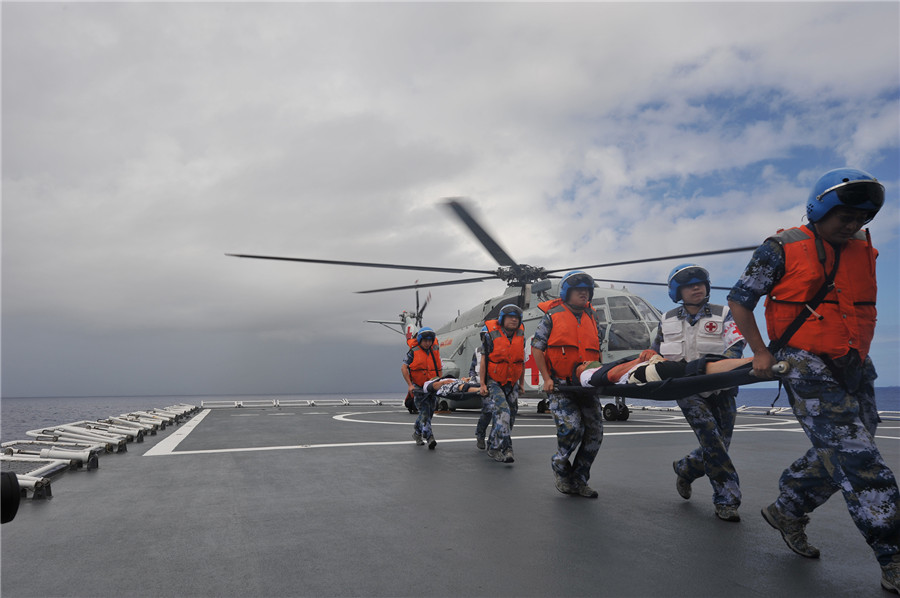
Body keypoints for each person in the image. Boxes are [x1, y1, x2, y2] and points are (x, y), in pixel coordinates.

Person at [727, 168, 899, 593]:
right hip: (804, 362)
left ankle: (788, 507)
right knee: (860, 460)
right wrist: (761, 352)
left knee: (853, 442)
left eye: (861, 218)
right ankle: (893, 556)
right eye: (845, 216)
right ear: (820, 209)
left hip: (854, 362)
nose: (853, 224)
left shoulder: (863, 250)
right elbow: (740, 300)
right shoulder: (780, 248)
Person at [652, 264, 747, 522]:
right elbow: (656, 353)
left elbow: (736, 346)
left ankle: (685, 468)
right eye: (689, 285)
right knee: (712, 440)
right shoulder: (666, 319)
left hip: (722, 387)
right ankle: (727, 500)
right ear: (677, 291)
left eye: (700, 283)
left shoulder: (724, 314)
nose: (697, 287)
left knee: (720, 444)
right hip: (686, 389)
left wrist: (719, 367)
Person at [531, 271, 604, 498]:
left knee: (595, 433)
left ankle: (580, 479)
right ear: (566, 293)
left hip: (587, 385)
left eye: (587, 290)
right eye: (578, 290)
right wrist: (547, 378)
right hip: (561, 386)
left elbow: (598, 347)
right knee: (572, 428)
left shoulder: (593, 317)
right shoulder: (552, 316)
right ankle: (560, 466)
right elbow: (537, 348)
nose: (584, 293)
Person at [479, 304, 526, 464]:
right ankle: (498, 448)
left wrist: (521, 383)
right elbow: (484, 360)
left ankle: (501, 445)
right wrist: (482, 384)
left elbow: (521, 361)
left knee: (510, 416)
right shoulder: (490, 336)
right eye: (510, 317)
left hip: (512, 382)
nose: (514, 320)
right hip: (494, 381)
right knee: (503, 413)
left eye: (517, 317)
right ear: (502, 319)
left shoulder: (520, 336)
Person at [575, 349, 754, 387]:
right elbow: (612, 376)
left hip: (646, 369)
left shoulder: (598, 369)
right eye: (582, 364)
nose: (586, 361)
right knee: (698, 369)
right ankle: (754, 362)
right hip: (642, 372)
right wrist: (639, 360)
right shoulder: (586, 376)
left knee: (696, 368)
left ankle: (752, 362)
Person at [401, 327, 442, 450]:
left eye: (430, 341)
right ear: (420, 340)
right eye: (425, 341)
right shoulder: (413, 352)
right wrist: (410, 385)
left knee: (430, 412)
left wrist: (441, 382)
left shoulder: (434, 351)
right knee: (424, 412)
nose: (428, 343)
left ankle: (417, 433)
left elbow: (439, 367)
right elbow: (404, 368)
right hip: (419, 388)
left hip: (432, 386)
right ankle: (430, 437)